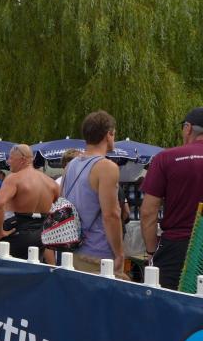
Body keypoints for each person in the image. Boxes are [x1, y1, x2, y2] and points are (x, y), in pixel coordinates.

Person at [141, 107, 203, 289]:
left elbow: (148, 212)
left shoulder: (166, 158)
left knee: (168, 301)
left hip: (176, 247)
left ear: (188, 128)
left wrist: (151, 251)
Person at [64, 111, 126, 278]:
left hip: (72, 249)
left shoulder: (71, 165)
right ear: (108, 134)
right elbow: (111, 215)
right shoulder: (106, 167)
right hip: (97, 254)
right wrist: (119, 253)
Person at [0, 144, 59, 260]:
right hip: (41, 234)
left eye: (11, 158)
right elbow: (61, 208)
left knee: (9, 268)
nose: (8, 162)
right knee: (34, 266)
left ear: (23, 159)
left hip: (18, 230)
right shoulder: (51, 182)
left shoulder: (14, 178)